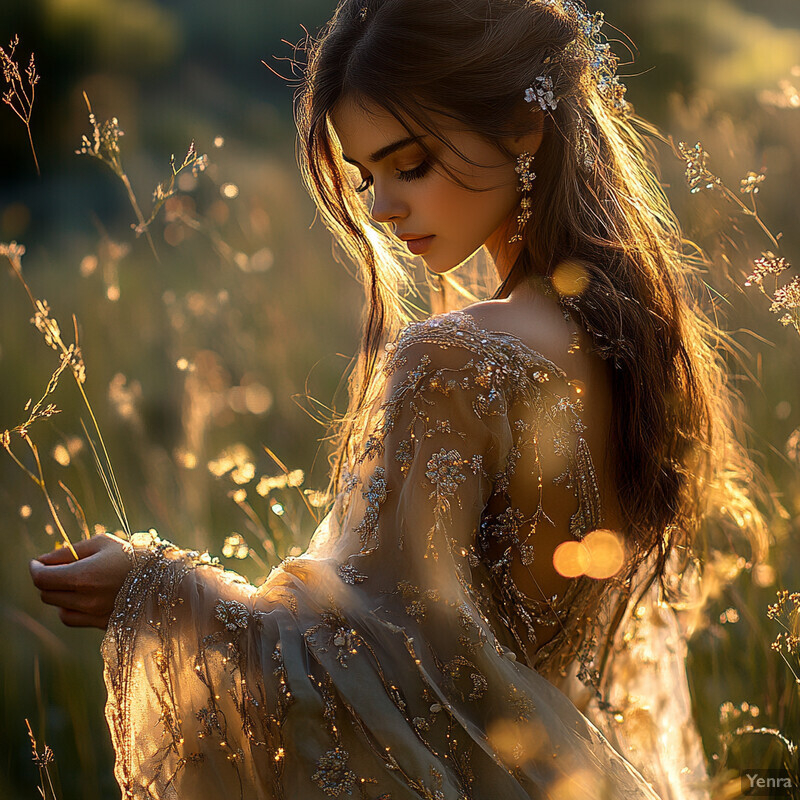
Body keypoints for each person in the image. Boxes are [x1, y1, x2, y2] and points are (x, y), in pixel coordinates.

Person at [28, 0, 768, 797]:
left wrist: (153, 588)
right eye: (366, 176)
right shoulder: (638, 337)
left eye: (409, 164)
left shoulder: (452, 358)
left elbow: (374, 665)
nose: (380, 208)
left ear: (523, 127)